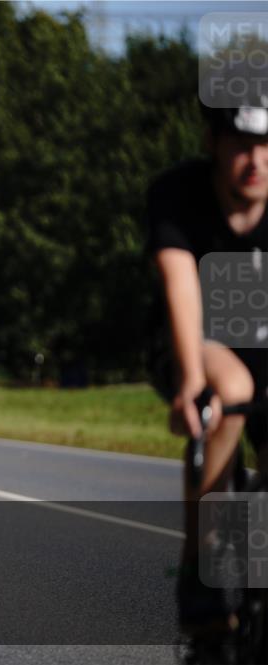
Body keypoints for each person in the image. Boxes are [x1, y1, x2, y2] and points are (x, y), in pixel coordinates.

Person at [146, 98, 267, 645]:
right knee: (231, 390)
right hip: (193, 338)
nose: (256, 159)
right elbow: (181, 282)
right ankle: (202, 564)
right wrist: (192, 379)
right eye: (242, 143)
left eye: (267, 146)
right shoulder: (179, 193)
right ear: (214, 141)